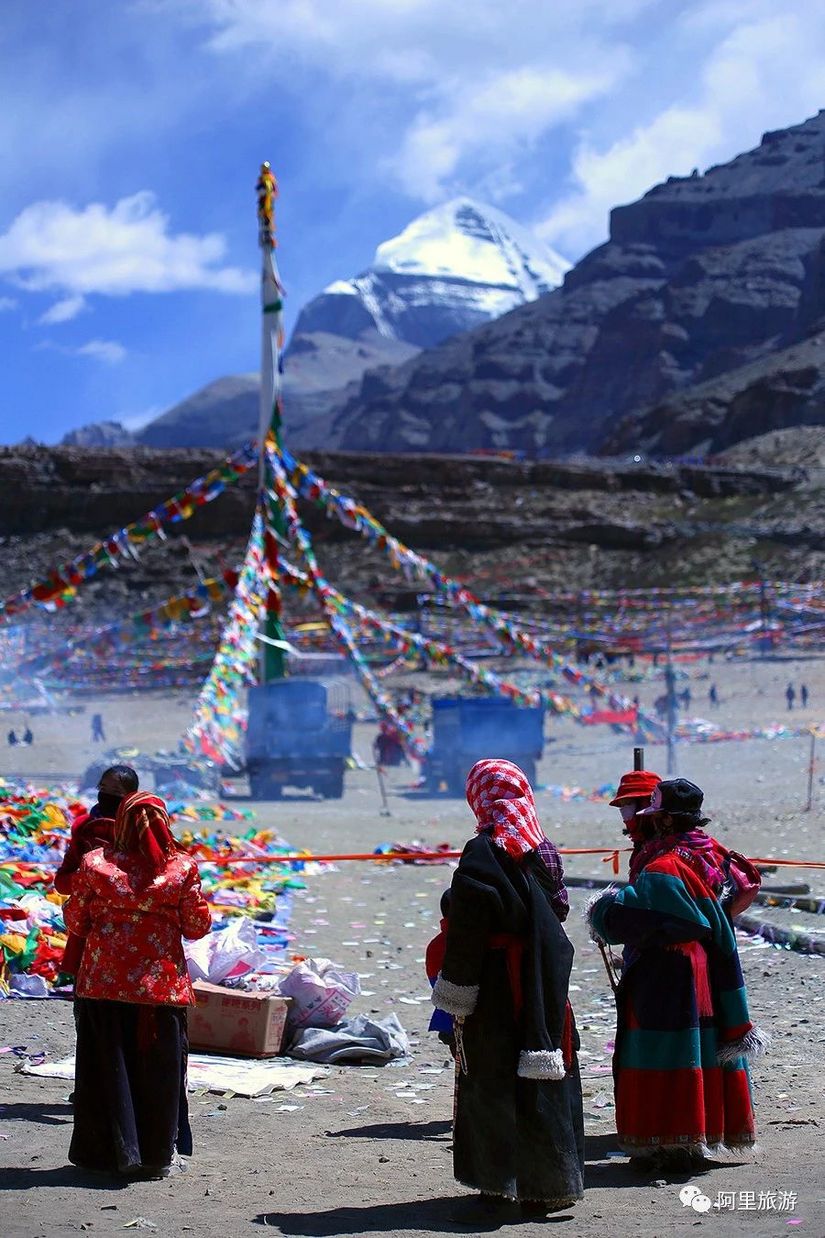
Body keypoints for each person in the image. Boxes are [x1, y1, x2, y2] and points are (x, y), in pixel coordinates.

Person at [429, 759, 584, 1217]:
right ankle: (553, 1184)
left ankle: (499, 1182)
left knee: (492, 1075)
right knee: (544, 1071)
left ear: (478, 798)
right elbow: (558, 911)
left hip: (497, 983)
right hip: (542, 980)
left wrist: (456, 991)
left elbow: (470, 929)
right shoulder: (545, 850)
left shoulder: (480, 852)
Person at [588, 778, 765, 1171]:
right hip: (708, 962)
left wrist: (602, 909)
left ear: (666, 819)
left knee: (666, 1050)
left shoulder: (667, 862)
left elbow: (644, 913)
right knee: (702, 1044)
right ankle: (695, 1134)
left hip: (671, 968)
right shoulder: (713, 851)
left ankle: (670, 1145)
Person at [64, 791, 211, 1177]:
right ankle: (157, 1155)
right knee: (157, 1073)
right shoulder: (181, 869)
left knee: (107, 1068)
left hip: (103, 984)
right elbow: (197, 927)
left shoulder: (95, 865)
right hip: (160, 990)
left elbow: (76, 920)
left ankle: (106, 1155)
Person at [55, 765, 139, 976]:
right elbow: (62, 882)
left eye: (116, 792)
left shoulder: (141, 829)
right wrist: (87, 879)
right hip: (89, 923)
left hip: (129, 924)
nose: (107, 795)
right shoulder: (84, 827)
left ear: (131, 797)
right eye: (103, 787)